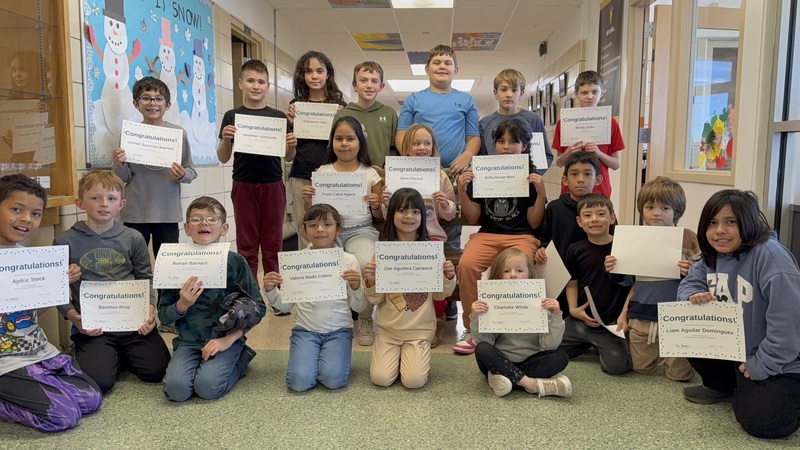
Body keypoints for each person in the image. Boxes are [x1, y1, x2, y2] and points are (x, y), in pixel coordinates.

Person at [677, 189, 800, 439]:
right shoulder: (713, 254)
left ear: (749, 221)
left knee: (766, 425)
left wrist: (762, 365)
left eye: (731, 222)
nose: (719, 231)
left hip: (780, 358)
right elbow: (689, 283)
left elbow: (788, 324)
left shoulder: (772, 258)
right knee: (690, 333)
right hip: (737, 348)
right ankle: (725, 386)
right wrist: (692, 295)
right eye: (712, 223)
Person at [0, 174, 102, 432]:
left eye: (35, 214)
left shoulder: (28, 257)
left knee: (91, 399)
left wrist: (56, 285)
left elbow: (31, 312)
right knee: (63, 416)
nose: (27, 219)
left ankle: (37, 384)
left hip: (36, 350)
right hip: (4, 360)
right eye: (16, 209)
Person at [54, 170, 171, 394]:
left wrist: (149, 309)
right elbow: (55, 288)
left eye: (111, 198)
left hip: (131, 322)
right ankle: (102, 353)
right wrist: (74, 317)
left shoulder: (133, 238)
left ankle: (117, 354)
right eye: (95, 198)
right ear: (80, 203)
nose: (104, 204)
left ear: (121, 204)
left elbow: (145, 277)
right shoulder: (64, 240)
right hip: (93, 327)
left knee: (157, 372)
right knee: (100, 383)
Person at [453, 119, 546, 355]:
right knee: (466, 265)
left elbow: (534, 223)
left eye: (513, 142)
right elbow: (474, 218)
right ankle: (473, 328)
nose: (506, 147)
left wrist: (541, 191)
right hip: (488, 234)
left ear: (524, 146)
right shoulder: (482, 173)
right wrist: (462, 191)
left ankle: (517, 328)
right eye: (501, 141)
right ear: (494, 145)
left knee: (521, 268)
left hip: (521, 236)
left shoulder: (531, 176)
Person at [158, 197, 265, 401]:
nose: (204, 223)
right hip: (188, 342)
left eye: (212, 219)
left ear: (224, 228)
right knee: (176, 391)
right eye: (196, 219)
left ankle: (241, 358)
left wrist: (229, 339)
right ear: (186, 228)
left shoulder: (235, 262)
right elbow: (164, 316)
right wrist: (182, 304)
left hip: (225, 339)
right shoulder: (173, 263)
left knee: (208, 388)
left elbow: (258, 308)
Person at [263, 204, 367, 392]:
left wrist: (356, 287)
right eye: (312, 225)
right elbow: (285, 307)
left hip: (339, 330)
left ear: (338, 229)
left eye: (327, 224)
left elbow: (358, 308)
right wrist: (271, 290)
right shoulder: (296, 261)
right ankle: (312, 360)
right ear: (304, 230)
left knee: (333, 380)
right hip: (305, 330)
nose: (320, 229)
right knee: (298, 382)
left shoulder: (348, 261)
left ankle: (324, 360)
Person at [363, 188, 457, 389]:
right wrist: (371, 280)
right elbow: (375, 299)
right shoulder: (383, 252)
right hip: (388, 330)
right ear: (391, 214)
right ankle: (396, 355)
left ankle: (410, 356)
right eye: (402, 210)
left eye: (415, 211)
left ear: (423, 217)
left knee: (413, 381)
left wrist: (448, 276)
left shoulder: (431, 251)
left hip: (419, 330)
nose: (409, 216)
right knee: (381, 379)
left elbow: (440, 294)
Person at [301, 116, 382, 346]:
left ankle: (365, 317)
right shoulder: (322, 172)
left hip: (361, 230)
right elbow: (313, 213)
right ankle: (325, 317)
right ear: (332, 142)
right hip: (327, 232)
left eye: (350, 138)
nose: (344, 144)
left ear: (360, 142)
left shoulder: (370, 173)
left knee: (366, 265)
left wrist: (376, 204)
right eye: (338, 139)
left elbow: (378, 216)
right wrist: (308, 200)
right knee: (319, 264)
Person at [217, 59, 298, 284]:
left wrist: (292, 145)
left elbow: (288, 157)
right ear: (240, 83)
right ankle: (249, 292)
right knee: (247, 244)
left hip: (273, 185)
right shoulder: (232, 116)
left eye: (261, 82)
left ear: (268, 87)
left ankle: (275, 291)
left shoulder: (279, 117)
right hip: (243, 184)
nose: (256, 86)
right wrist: (225, 139)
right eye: (250, 81)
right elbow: (223, 157)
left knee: (273, 243)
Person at [613, 177, 699, 381]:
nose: (656, 213)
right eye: (650, 207)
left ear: (677, 211)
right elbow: (629, 282)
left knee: (680, 375)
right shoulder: (634, 238)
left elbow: (704, 275)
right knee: (641, 369)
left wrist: (691, 271)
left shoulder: (687, 237)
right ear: (641, 209)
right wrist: (614, 268)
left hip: (677, 316)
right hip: (642, 313)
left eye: (665, 208)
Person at [382, 123, 457, 347]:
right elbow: (388, 216)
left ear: (433, 148)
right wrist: (385, 203)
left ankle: (437, 316)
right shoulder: (395, 174)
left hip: (430, 238)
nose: (421, 148)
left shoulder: (440, 175)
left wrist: (445, 203)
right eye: (416, 143)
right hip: (399, 238)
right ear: (406, 148)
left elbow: (451, 214)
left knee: (434, 274)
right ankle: (400, 320)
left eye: (427, 143)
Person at [112, 76, 197, 257]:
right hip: (135, 212)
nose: (153, 103)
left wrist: (182, 174)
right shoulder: (130, 134)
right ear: (136, 103)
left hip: (167, 213)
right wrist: (118, 164)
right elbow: (125, 177)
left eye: (159, 99)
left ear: (168, 105)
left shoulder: (177, 133)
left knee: (167, 267)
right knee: (133, 264)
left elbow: (191, 171)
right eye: (146, 98)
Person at [470, 248, 572, 398]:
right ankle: (531, 384)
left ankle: (503, 377)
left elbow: (550, 345)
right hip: (501, 359)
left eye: (519, 270)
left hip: (531, 360)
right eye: (506, 271)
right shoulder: (490, 303)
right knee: (482, 349)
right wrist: (476, 317)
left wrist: (556, 315)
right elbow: (485, 342)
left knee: (561, 357)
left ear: (529, 274)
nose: (513, 275)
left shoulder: (541, 303)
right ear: (497, 275)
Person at [558, 194, 632, 375]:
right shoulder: (575, 249)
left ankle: (597, 344)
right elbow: (572, 282)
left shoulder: (623, 248)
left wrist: (624, 315)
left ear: (612, 218)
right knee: (546, 348)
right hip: (581, 320)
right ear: (579, 221)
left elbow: (634, 285)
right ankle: (586, 343)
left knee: (617, 367)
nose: (594, 219)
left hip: (610, 324)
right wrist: (573, 310)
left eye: (601, 214)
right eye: (587, 215)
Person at [287, 51, 347, 249]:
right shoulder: (296, 106)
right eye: (309, 71)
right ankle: (307, 268)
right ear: (302, 75)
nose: (314, 76)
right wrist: (292, 125)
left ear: (327, 74)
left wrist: (342, 120)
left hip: (331, 175)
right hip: (302, 174)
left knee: (331, 229)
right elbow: (289, 153)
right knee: (305, 229)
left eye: (319, 71)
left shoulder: (339, 106)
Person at [534, 152, 602, 315]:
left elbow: (613, 240)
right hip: (560, 275)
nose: (580, 179)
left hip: (591, 274)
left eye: (587, 174)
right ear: (565, 180)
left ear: (598, 180)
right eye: (574, 174)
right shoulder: (555, 208)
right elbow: (543, 237)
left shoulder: (602, 208)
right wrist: (541, 248)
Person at [395, 44, 480, 176]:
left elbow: (473, 137)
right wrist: (411, 159)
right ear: (427, 69)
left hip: (456, 171)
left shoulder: (467, 100)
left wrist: (467, 156)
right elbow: (401, 135)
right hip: (421, 169)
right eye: (436, 63)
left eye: (448, 63)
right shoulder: (413, 100)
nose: (442, 66)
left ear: (455, 70)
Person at [551, 70, 625, 198]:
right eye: (584, 92)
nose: (590, 97)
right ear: (576, 94)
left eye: (595, 92)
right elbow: (559, 162)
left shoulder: (610, 123)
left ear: (602, 93)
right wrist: (568, 152)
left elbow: (616, 164)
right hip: (571, 190)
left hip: (599, 190)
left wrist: (599, 153)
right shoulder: (564, 122)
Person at [479, 68, 552, 175]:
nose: (509, 94)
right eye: (504, 89)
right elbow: (481, 157)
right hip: (495, 180)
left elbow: (545, 156)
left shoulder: (533, 119)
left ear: (521, 93)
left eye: (514, 90)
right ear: (495, 93)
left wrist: (534, 175)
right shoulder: (485, 123)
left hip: (525, 181)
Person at [333, 61, 398, 175]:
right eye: (363, 80)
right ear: (355, 85)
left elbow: (395, 148)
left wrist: (387, 166)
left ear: (381, 86)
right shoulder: (342, 114)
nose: (369, 85)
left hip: (381, 174)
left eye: (374, 81)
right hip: (350, 174)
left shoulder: (389, 113)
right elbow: (335, 147)